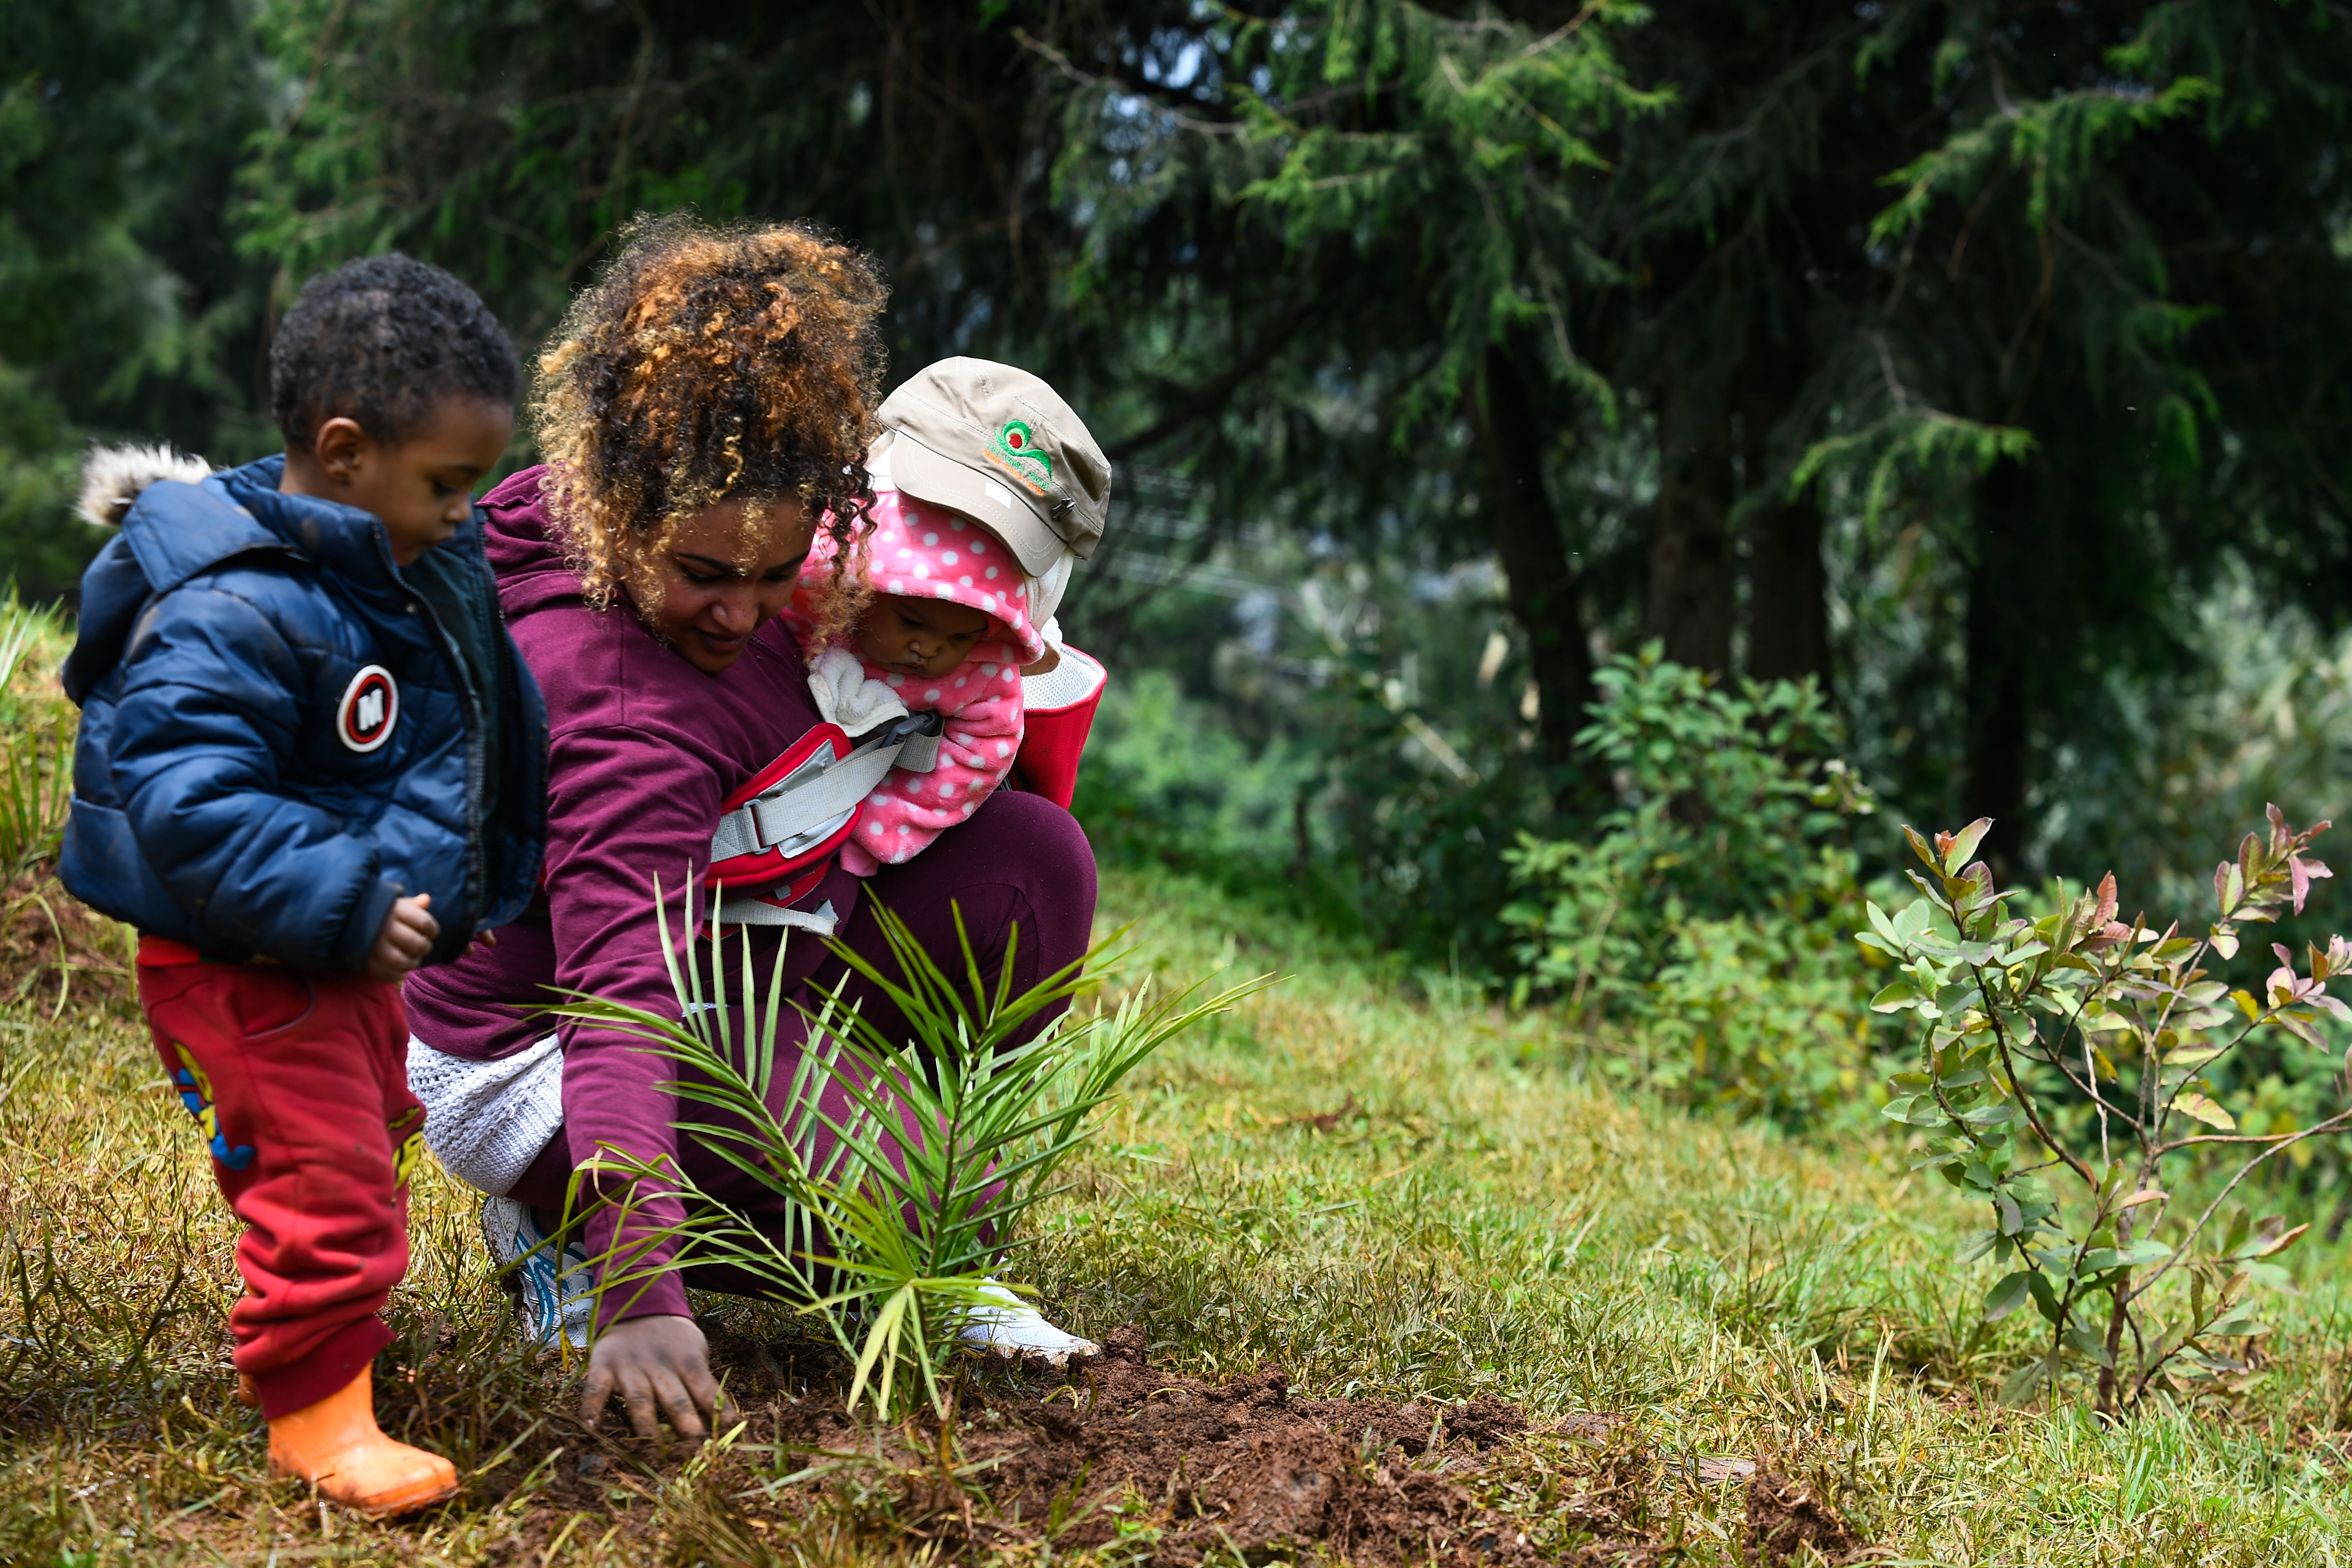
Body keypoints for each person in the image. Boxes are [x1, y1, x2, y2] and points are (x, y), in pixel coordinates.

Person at [400, 217, 1106, 1444]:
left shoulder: (790, 556)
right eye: (706, 573)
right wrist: (644, 1294)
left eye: (776, 575)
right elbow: (621, 993)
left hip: (726, 933)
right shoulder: (625, 701)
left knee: (1034, 871)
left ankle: (846, 1172)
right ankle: (553, 1219)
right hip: (544, 1048)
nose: (741, 612)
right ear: (622, 509)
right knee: (906, 1216)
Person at [57, 255, 547, 1517]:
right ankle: (315, 1414)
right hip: (248, 959)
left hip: (334, 949)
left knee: (360, 1128)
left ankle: (309, 1243)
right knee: (328, 1173)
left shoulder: (388, 561)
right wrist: (341, 894)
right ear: (343, 451)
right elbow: (186, 797)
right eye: (447, 484)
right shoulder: (234, 610)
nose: (463, 512)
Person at [785, 359, 1111, 875]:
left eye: (959, 636)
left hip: (854, 842)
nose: (929, 648)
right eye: (911, 620)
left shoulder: (982, 671)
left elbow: (982, 752)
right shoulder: (806, 598)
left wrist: (880, 829)